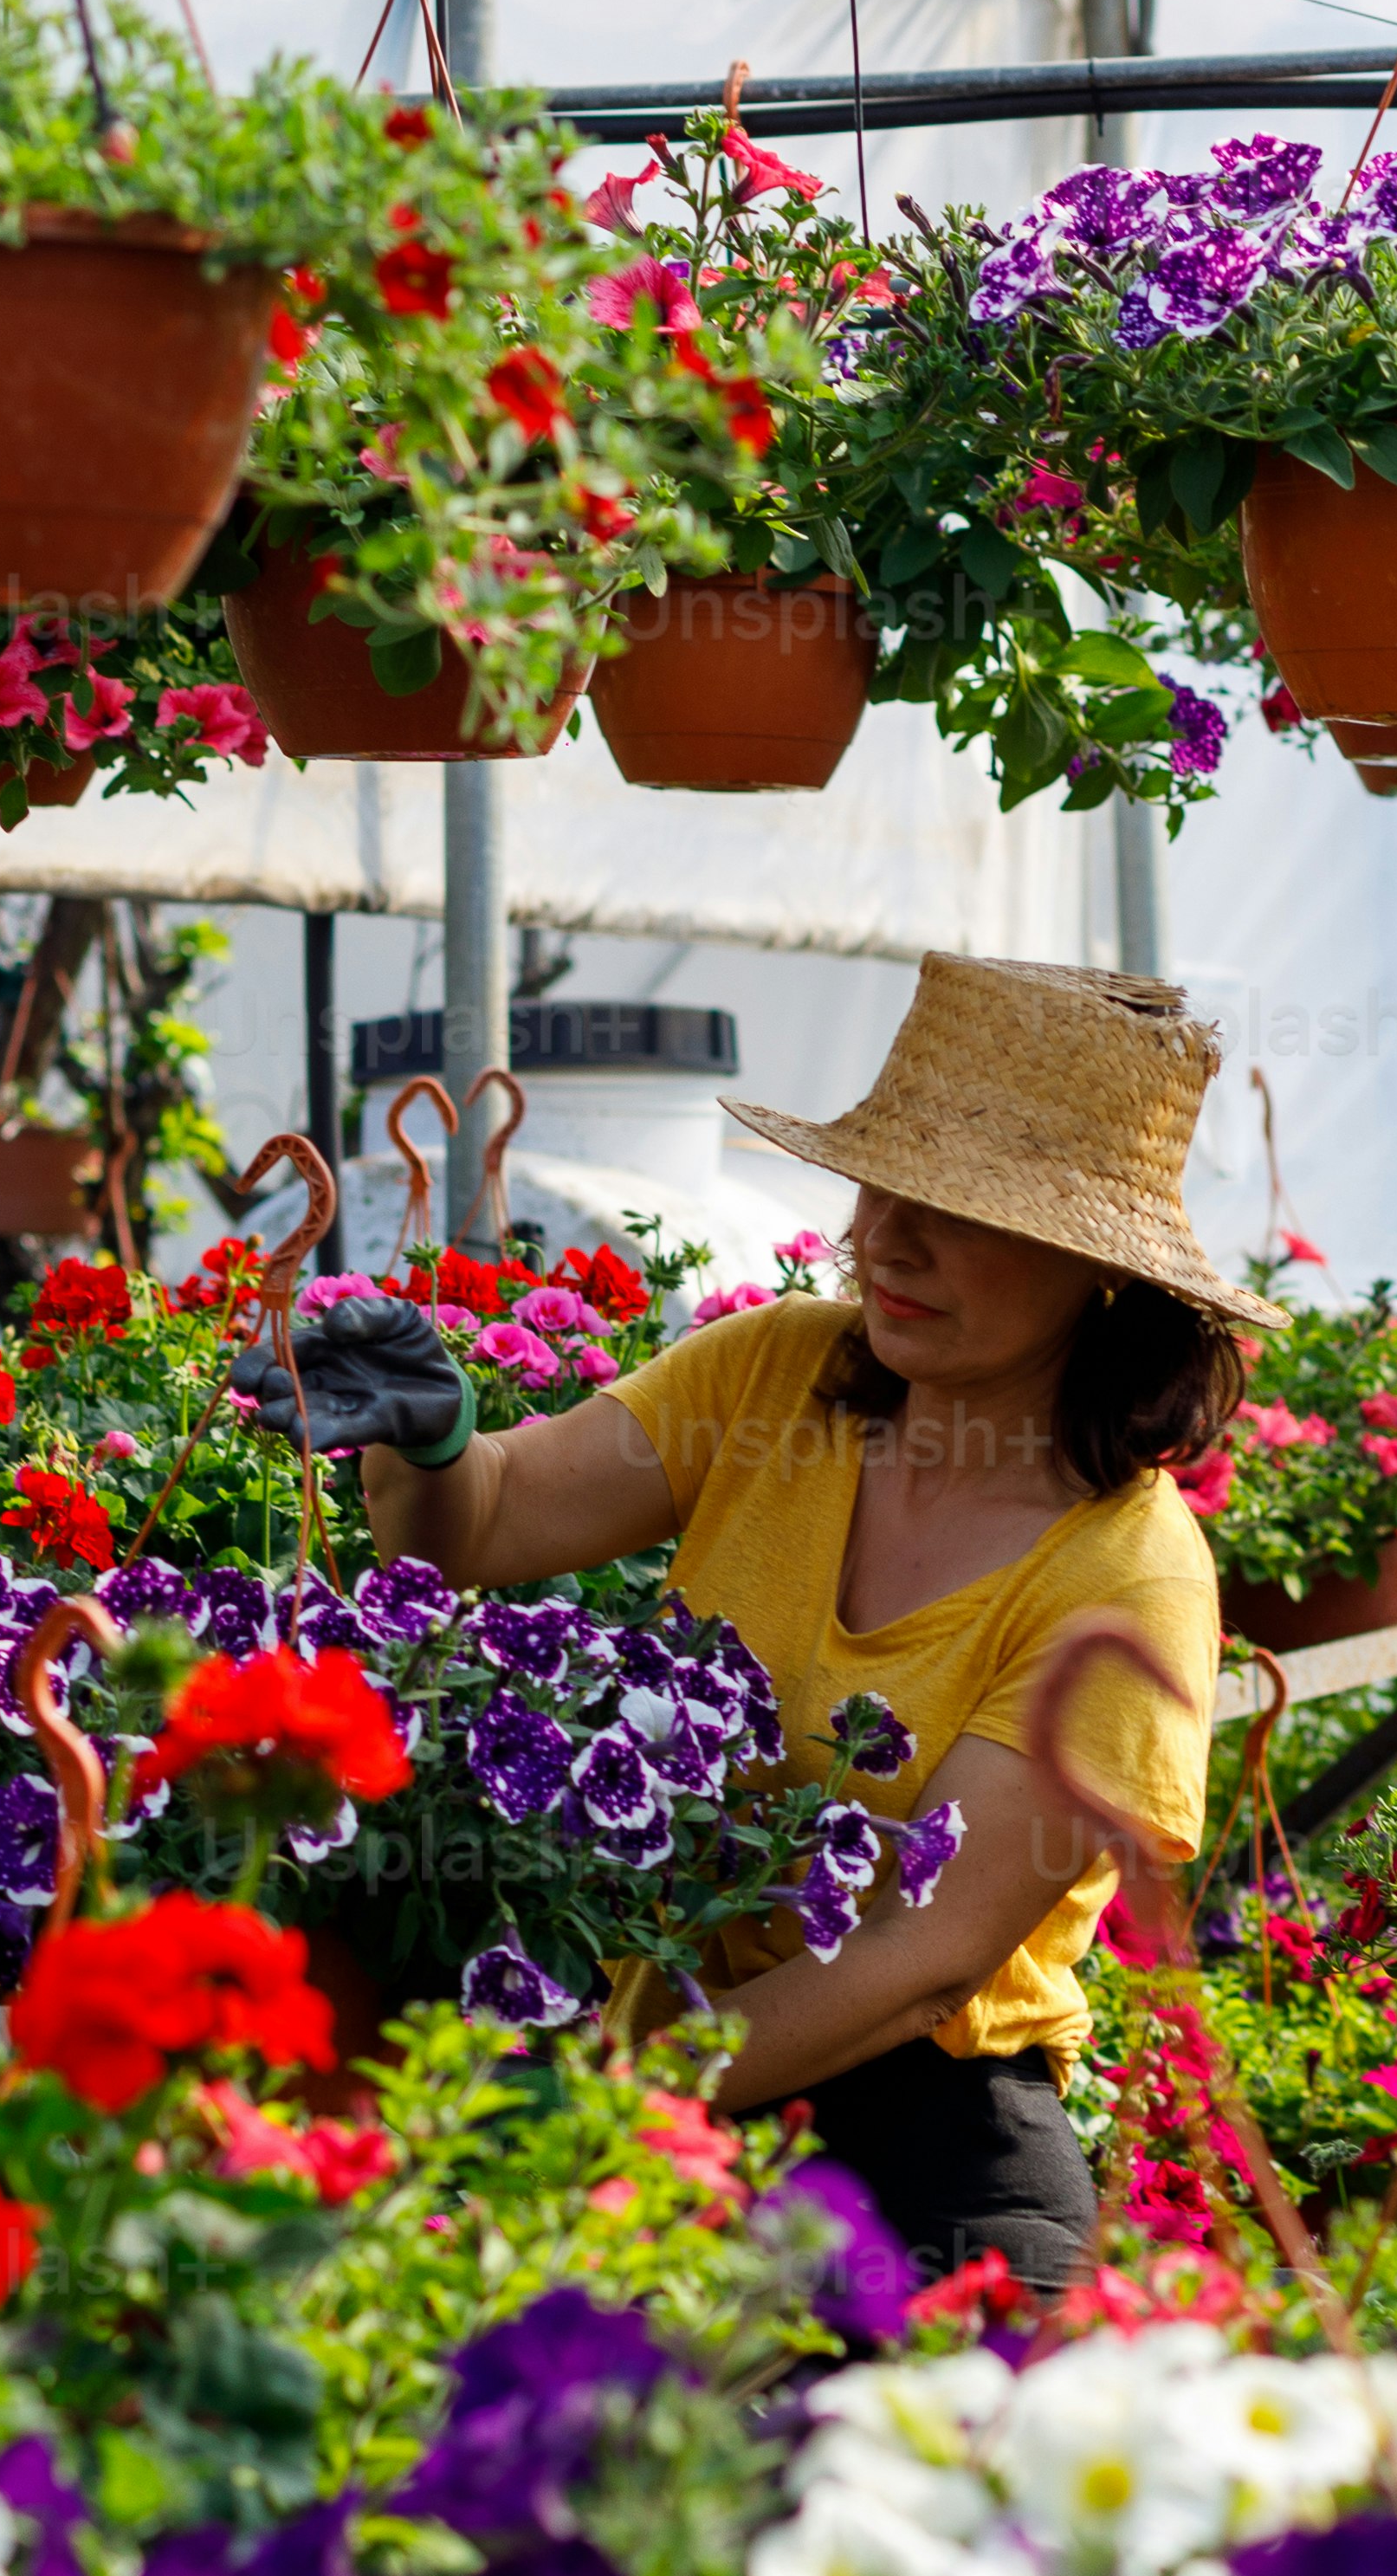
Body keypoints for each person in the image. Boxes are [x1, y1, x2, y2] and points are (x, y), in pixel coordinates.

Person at [246, 954, 1258, 2296]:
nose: (888, 1238)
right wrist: (431, 1445)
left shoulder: (1129, 1577)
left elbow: (921, 1953)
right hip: (654, 2078)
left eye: (963, 1210)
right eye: (883, 1180)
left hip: (919, 2137)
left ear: (1099, 1272)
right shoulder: (775, 1372)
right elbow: (480, 1534)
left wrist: (612, 2106)